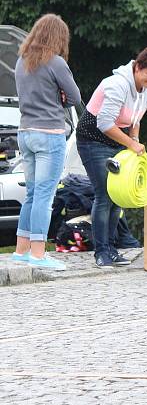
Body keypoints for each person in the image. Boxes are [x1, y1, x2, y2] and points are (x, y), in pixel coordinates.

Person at [76, 47, 147, 268]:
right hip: (92, 139)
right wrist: (131, 144)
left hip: (117, 141)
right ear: (137, 67)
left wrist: (134, 142)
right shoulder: (116, 85)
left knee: (118, 195)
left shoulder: (146, 91)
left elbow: (135, 120)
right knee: (105, 194)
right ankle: (101, 252)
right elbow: (105, 123)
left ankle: (112, 250)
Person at [12, 14, 81, 271]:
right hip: (49, 133)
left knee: (31, 194)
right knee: (45, 194)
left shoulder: (21, 61)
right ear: (58, 37)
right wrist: (60, 98)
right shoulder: (56, 63)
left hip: (25, 132)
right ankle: (39, 254)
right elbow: (74, 97)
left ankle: (21, 250)